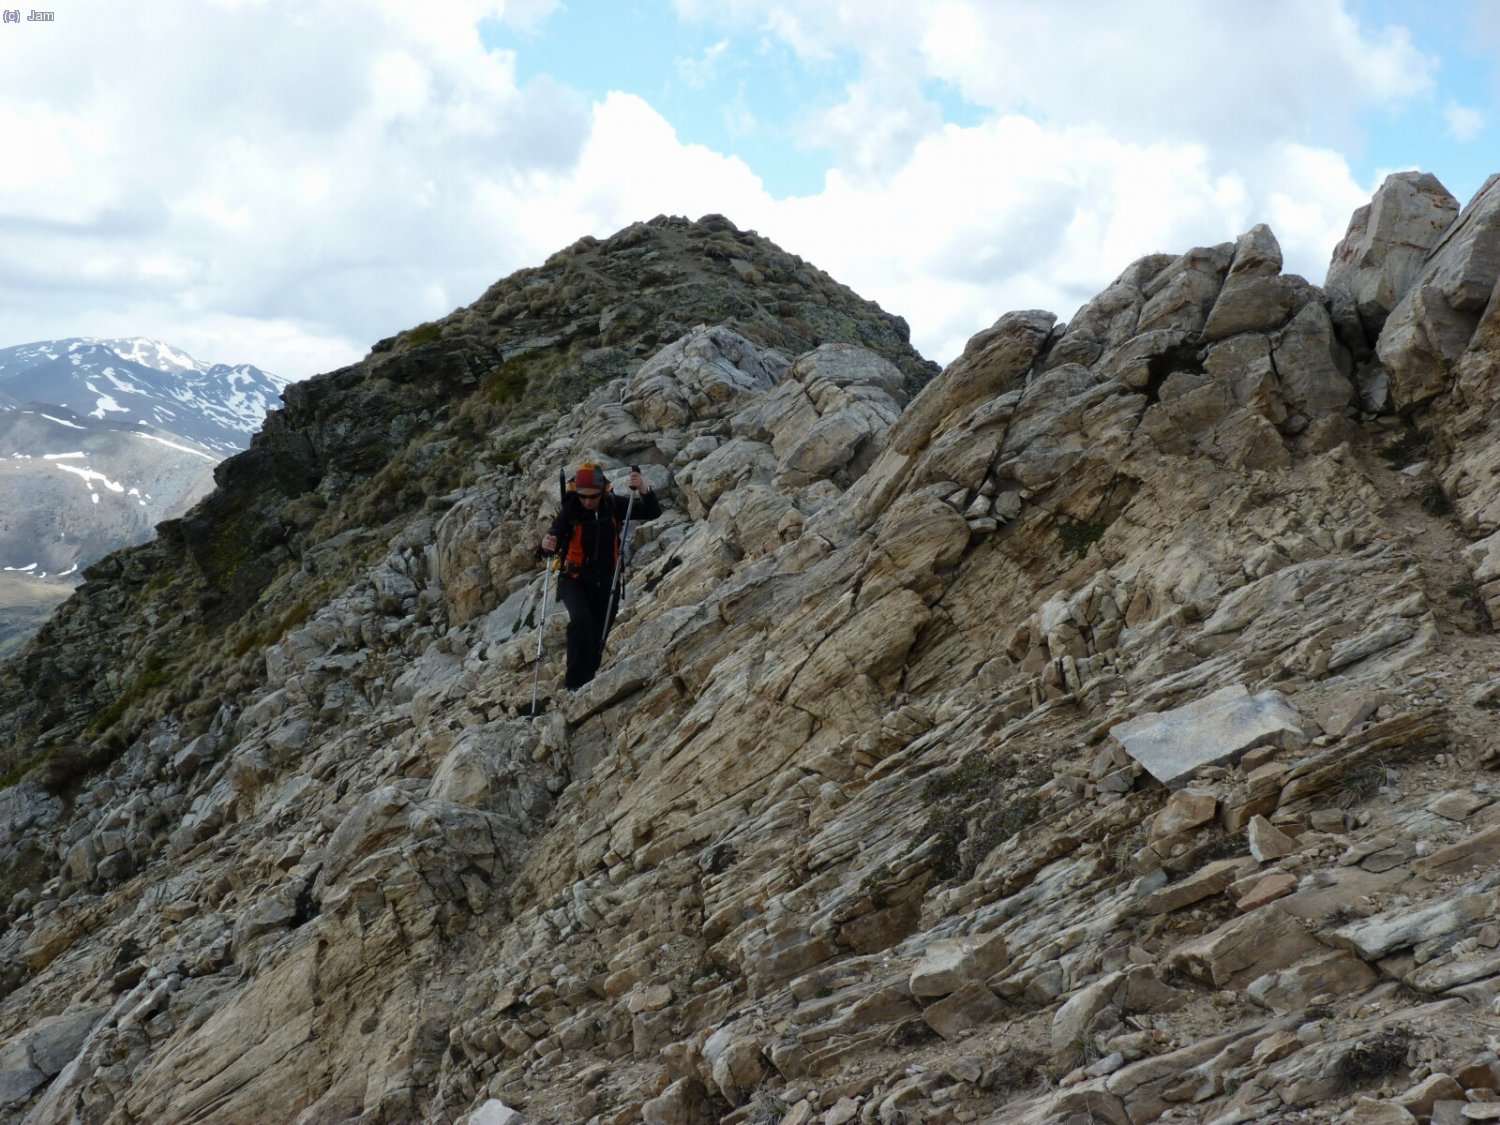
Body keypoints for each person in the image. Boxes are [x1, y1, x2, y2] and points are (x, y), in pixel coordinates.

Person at [541, 463, 662, 690]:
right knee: (581, 622)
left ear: (603, 491)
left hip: (607, 581)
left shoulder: (613, 505)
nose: (587, 501)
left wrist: (644, 488)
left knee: (599, 634)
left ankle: (588, 681)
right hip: (575, 580)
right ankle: (574, 685)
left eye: (593, 497)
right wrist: (547, 543)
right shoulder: (571, 510)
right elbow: (553, 538)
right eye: (582, 496)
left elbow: (652, 511)